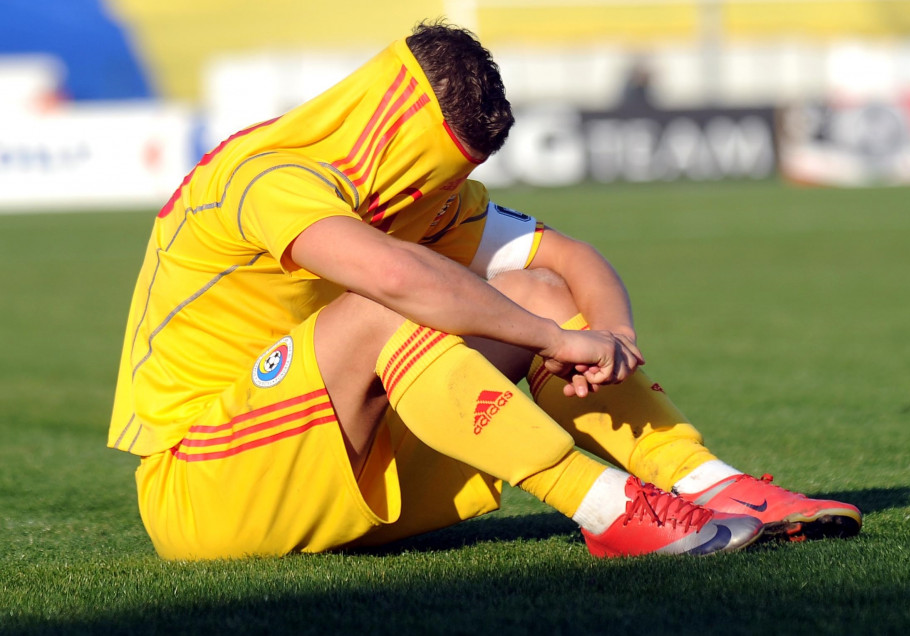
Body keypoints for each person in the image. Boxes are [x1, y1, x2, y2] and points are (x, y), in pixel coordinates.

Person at [108, 21, 861, 561]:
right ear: (396, 135)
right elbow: (393, 279)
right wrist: (557, 342)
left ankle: (707, 482)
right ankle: (608, 509)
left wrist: (614, 340)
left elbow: (571, 259)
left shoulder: (414, 193)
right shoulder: (270, 178)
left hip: (338, 471)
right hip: (205, 485)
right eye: (441, 168)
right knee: (388, 305)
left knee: (530, 289)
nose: (452, 192)